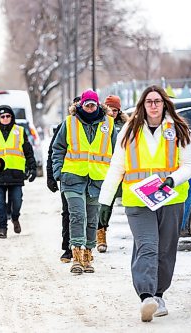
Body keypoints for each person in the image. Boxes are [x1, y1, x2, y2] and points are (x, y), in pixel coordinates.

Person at [99, 85, 191, 322]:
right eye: (149, 101)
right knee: (147, 246)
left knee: (165, 248)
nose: (153, 105)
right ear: (142, 105)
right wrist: (104, 201)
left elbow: (190, 163)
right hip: (137, 199)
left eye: (157, 101)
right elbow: (117, 167)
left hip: (170, 197)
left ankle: (159, 294)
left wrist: (173, 179)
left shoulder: (179, 129)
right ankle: (146, 297)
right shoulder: (129, 131)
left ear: (165, 104)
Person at [51, 89, 116, 275]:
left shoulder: (109, 124)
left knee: (92, 218)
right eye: (86, 104)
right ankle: (77, 256)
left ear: (98, 105)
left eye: (92, 104)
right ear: (81, 105)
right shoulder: (69, 123)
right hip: (72, 177)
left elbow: (117, 152)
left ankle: (88, 254)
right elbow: (58, 148)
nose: (89, 107)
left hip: (97, 179)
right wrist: (58, 173)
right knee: (77, 216)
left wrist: (113, 176)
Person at [0, 105, 36, 239]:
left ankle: (15, 218)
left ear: (12, 117)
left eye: (8, 116)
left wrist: (32, 168)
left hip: (16, 173)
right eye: (2, 116)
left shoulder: (20, 131)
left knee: (17, 201)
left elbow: (28, 152)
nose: (5, 118)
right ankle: (2, 227)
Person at [46, 96, 80, 263]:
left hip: (92, 178)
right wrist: (52, 176)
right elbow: (53, 152)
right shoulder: (66, 125)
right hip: (69, 178)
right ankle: (68, 248)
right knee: (68, 213)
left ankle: (84, 247)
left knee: (87, 213)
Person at [96, 95, 129, 253]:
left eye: (116, 110)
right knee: (104, 204)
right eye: (110, 109)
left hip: (122, 170)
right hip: (103, 169)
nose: (113, 112)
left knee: (124, 204)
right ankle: (100, 233)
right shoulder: (99, 122)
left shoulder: (126, 125)